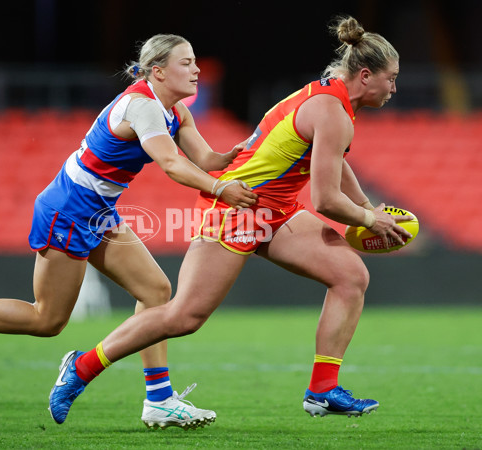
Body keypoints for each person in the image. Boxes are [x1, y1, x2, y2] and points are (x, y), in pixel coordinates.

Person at [47, 15, 413, 422]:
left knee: (350, 276)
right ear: (366, 75)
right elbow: (326, 199)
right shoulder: (331, 110)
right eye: (391, 79)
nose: (394, 88)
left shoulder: (334, 101)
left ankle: (323, 389)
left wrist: (368, 210)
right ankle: (80, 368)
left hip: (274, 210)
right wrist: (368, 218)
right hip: (236, 211)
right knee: (185, 316)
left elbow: (335, 162)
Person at [0, 34, 257, 429]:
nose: (197, 69)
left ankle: (159, 399)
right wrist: (220, 188)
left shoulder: (176, 111)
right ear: (158, 71)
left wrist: (245, 151)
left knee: (156, 292)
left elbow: (205, 159)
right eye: (186, 62)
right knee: (47, 320)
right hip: (68, 209)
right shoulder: (142, 107)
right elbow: (172, 164)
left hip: (98, 210)